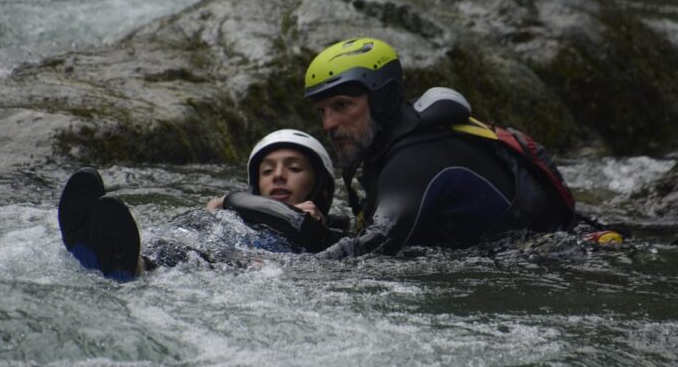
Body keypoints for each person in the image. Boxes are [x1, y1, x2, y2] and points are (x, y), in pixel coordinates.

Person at [303, 37, 577, 258]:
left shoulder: (417, 158)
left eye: (342, 105)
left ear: (382, 99)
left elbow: (376, 243)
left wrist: (289, 270)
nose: (329, 123)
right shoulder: (387, 145)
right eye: (322, 111)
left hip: (552, 262)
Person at [57, 129, 342, 280]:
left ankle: (133, 265)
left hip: (246, 266)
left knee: (185, 253)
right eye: (267, 171)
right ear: (256, 187)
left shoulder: (327, 235)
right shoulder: (229, 213)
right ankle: (96, 247)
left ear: (321, 188)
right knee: (173, 237)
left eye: (293, 168)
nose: (278, 175)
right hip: (211, 244)